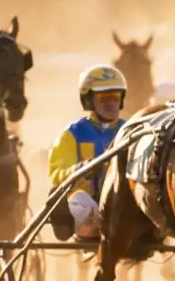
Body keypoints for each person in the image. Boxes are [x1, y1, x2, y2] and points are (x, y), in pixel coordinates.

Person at [48, 64, 128, 241]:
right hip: (90, 210)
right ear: (89, 100)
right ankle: (64, 224)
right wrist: (80, 169)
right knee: (81, 200)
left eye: (115, 97)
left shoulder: (131, 131)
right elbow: (56, 176)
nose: (111, 103)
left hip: (122, 207)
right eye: (104, 98)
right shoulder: (72, 134)